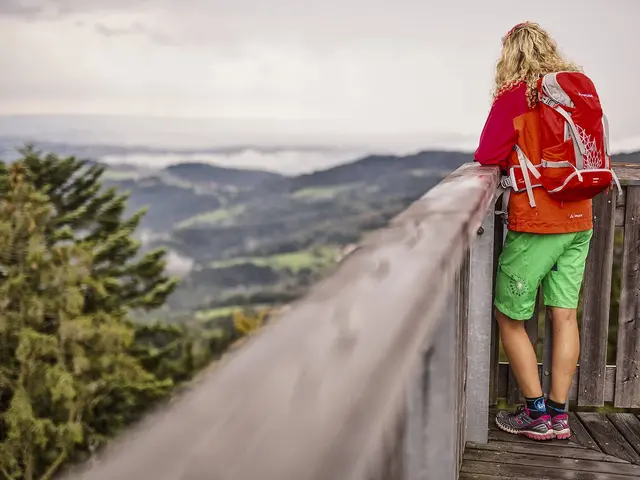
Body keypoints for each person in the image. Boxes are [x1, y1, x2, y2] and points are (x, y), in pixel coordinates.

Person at [474, 22, 594, 441]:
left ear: (510, 54)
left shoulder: (517, 96)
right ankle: (560, 418)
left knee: (509, 316)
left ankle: (536, 415)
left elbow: (487, 153)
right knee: (564, 315)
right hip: (580, 217)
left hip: (539, 221)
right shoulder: (571, 94)